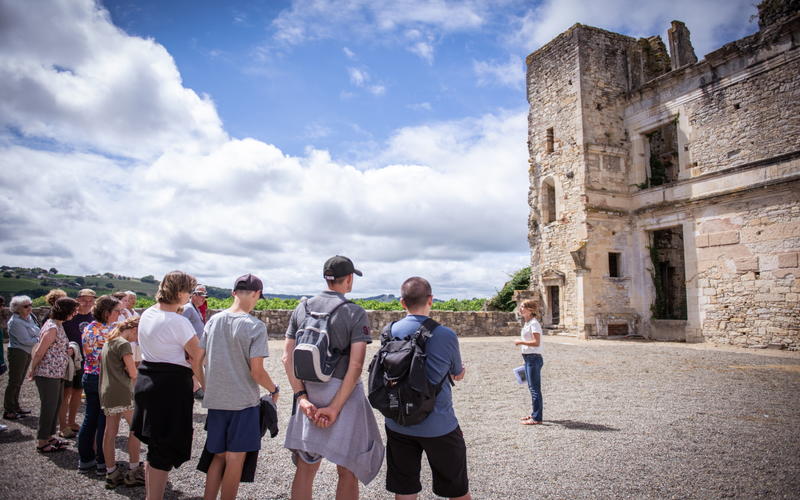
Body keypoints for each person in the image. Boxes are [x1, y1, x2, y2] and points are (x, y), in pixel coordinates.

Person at [282, 255, 384, 500]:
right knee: (347, 470)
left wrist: (302, 398)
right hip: (343, 397)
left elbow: (287, 358)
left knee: (306, 469)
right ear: (348, 279)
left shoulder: (302, 307)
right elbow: (356, 365)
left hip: (308, 395)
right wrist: (335, 407)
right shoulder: (353, 312)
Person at [382, 277, 470, 500]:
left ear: (402, 302)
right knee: (457, 490)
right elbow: (456, 373)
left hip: (398, 421)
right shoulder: (445, 335)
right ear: (430, 300)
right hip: (438, 423)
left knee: (405, 490)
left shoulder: (389, 331)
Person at [199, 274, 279, 500]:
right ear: (255, 294)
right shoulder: (255, 326)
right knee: (235, 459)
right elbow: (257, 372)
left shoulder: (213, 321)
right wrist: (274, 389)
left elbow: (196, 360)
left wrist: (207, 386)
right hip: (243, 404)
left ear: (234, 292)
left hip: (216, 402)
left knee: (217, 457)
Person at [132, 270, 205, 500]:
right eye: (189, 291)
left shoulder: (148, 314)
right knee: (162, 450)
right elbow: (197, 357)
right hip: (169, 388)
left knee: (154, 448)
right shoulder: (179, 322)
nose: (190, 295)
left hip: (147, 380)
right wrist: (208, 387)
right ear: (181, 292)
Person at [78, 294, 123, 474]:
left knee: (89, 419)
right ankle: (103, 462)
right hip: (105, 379)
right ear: (106, 313)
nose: (119, 315)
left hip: (89, 376)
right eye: (117, 311)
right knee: (105, 422)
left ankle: (85, 459)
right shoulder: (110, 332)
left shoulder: (88, 328)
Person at [28, 297, 77, 453]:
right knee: (48, 407)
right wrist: (32, 369)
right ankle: (42, 441)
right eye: (73, 311)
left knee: (56, 404)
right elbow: (40, 351)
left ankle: (49, 436)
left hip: (56, 372)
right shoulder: (52, 327)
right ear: (65, 311)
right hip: (47, 373)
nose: (75, 313)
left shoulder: (58, 325)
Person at [100, 316, 144, 488]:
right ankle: (133, 471)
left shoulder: (108, 342)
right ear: (133, 329)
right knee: (135, 429)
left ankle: (111, 472)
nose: (137, 338)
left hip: (107, 391)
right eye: (138, 334)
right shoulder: (124, 344)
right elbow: (133, 373)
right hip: (123, 391)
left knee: (110, 432)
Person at [60, 288, 95, 437]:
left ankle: (72, 421)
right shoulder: (70, 316)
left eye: (90, 300)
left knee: (78, 391)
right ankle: (62, 426)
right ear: (77, 299)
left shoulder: (94, 316)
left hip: (85, 360)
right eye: (84, 300)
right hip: (68, 359)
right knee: (65, 393)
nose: (87, 303)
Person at [4, 295, 39, 420]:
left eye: (30, 305)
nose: (29, 308)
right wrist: (40, 339)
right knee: (14, 381)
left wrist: (36, 337)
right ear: (16, 308)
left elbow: (36, 331)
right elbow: (25, 340)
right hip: (18, 352)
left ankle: (15, 406)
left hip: (25, 351)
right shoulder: (15, 322)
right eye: (26, 306)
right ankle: (8, 410)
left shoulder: (29, 318)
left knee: (19, 381)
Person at [515, 299, 543, 425]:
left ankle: (537, 418)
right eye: (520, 307)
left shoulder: (534, 324)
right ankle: (534, 414)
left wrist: (520, 342)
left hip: (533, 358)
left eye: (523, 307)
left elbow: (536, 342)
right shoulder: (527, 323)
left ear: (530, 310)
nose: (520, 309)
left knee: (535, 389)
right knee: (531, 387)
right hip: (528, 358)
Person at [182, 284, 207, 399]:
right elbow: (182, 325)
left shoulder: (194, 308)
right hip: (192, 345)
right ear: (193, 295)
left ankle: (196, 387)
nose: (204, 298)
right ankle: (195, 389)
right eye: (201, 295)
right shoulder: (188, 308)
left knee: (197, 365)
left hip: (198, 344)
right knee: (194, 366)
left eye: (204, 296)